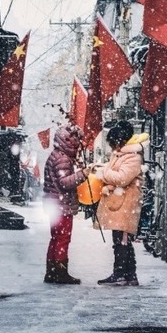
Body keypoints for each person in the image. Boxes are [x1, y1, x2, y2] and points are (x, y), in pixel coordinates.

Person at [94, 120, 144, 286]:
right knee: (121, 240)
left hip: (126, 204)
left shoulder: (132, 157)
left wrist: (104, 172)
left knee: (122, 240)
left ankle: (121, 272)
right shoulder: (121, 155)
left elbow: (122, 178)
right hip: (120, 203)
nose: (113, 147)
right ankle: (129, 274)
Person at [42, 123, 90, 284]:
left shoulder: (56, 155)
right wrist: (83, 174)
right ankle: (60, 273)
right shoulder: (62, 158)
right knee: (62, 238)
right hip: (61, 206)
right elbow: (64, 183)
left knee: (55, 238)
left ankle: (51, 271)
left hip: (54, 205)